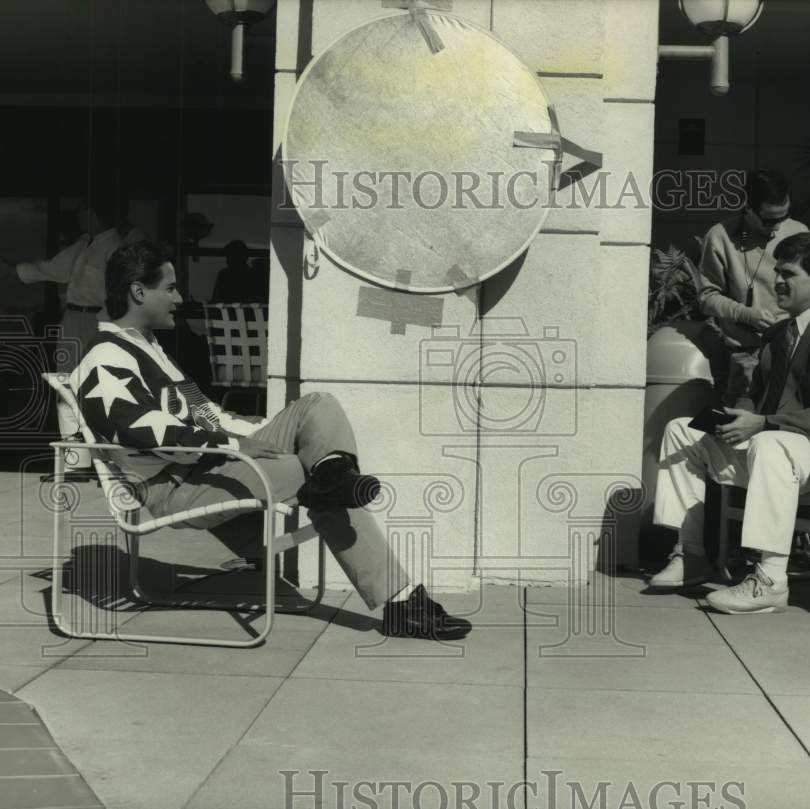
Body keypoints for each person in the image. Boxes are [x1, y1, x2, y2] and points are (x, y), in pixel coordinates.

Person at [70, 241, 471, 641]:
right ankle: (401, 600)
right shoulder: (106, 358)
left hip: (209, 461)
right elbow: (134, 427)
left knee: (318, 407)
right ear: (138, 292)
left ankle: (335, 472)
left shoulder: (149, 349)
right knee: (310, 474)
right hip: (176, 485)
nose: (179, 297)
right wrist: (230, 445)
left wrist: (257, 430)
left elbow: (208, 413)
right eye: (170, 288)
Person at [651, 233, 810, 614]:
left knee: (769, 444)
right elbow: (753, 395)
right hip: (776, 448)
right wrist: (738, 415)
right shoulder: (777, 334)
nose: (778, 281)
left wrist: (763, 423)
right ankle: (691, 554)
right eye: (777, 271)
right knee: (682, 429)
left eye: (789, 273)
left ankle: (770, 579)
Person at [1, 189, 142, 469]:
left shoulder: (116, 248)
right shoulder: (83, 245)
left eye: (82, 210)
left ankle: (108, 460)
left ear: (93, 213)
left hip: (99, 322)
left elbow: (119, 294)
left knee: (102, 386)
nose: (78, 216)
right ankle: (76, 462)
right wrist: (10, 270)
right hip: (72, 320)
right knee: (65, 384)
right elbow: (51, 269)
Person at [697, 169, 809, 404]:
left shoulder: (799, 233)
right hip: (746, 356)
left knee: (785, 431)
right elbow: (707, 297)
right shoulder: (720, 237)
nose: (778, 227)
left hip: (792, 352)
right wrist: (746, 314)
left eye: (784, 217)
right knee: (735, 430)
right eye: (770, 220)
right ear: (748, 207)